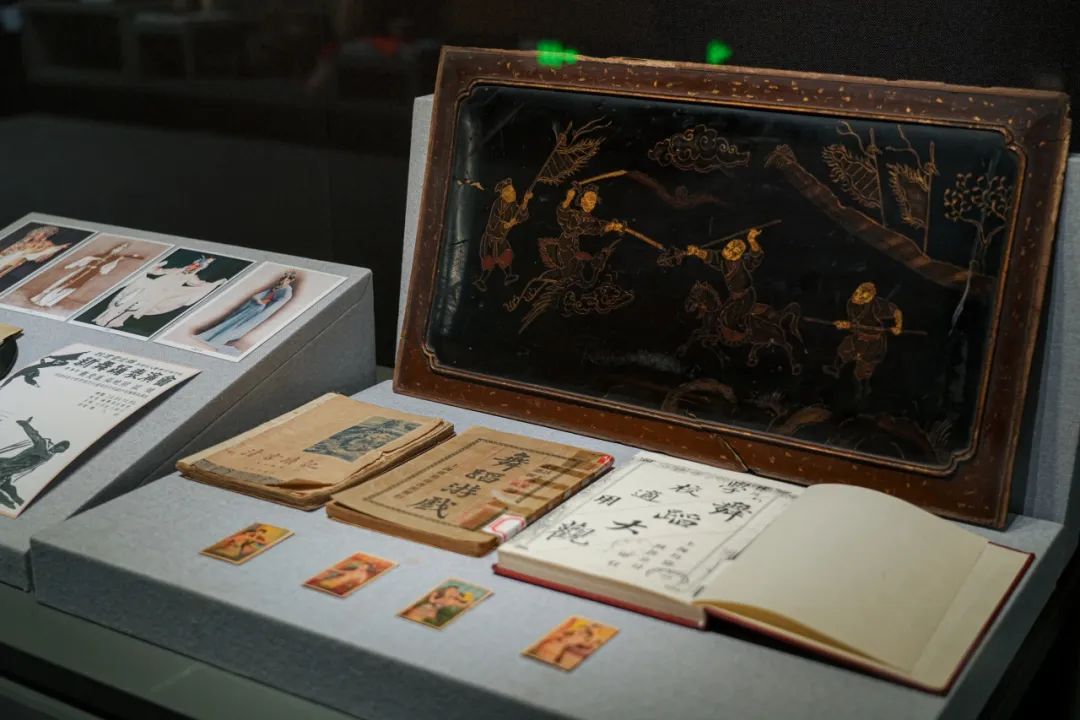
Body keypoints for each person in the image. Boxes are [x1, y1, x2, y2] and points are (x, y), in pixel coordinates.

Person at [92, 256, 223, 329]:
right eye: (195, 264)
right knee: (124, 302)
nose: (194, 267)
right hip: (150, 287)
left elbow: (197, 284)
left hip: (160, 294)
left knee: (134, 308)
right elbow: (157, 272)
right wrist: (157, 267)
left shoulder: (191, 277)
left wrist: (209, 285)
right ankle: (103, 319)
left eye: (198, 266)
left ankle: (114, 322)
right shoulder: (175, 270)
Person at [683, 228, 764, 343]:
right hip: (733, 296)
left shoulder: (745, 261)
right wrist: (696, 251)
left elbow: (755, 256)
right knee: (719, 314)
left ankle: (746, 334)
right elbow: (709, 256)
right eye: (727, 248)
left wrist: (751, 240)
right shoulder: (722, 260)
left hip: (746, 297)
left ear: (739, 254)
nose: (728, 252)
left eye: (733, 251)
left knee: (732, 319)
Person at [823, 281, 903, 395]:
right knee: (844, 349)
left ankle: (863, 389)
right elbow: (853, 323)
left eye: (863, 297)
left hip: (873, 341)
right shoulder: (850, 303)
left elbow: (897, 312)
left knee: (863, 369)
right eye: (857, 293)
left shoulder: (877, 304)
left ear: (870, 298)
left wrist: (898, 326)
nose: (858, 298)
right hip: (858, 336)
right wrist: (845, 324)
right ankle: (836, 369)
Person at [538, 184, 625, 286]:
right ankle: (560, 281)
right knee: (571, 267)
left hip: (575, 245)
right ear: (582, 200)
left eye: (593, 201)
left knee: (583, 264)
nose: (591, 202)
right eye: (589, 199)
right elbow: (562, 215)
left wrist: (613, 227)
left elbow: (597, 228)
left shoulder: (590, 220)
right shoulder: (573, 215)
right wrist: (568, 199)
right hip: (566, 244)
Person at [195, 271, 296, 350]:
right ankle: (208, 336)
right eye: (283, 278)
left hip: (260, 309)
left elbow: (278, 303)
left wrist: (263, 304)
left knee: (238, 325)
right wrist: (258, 299)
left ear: (289, 280)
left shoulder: (287, 291)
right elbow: (260, 295)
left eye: (286, 279)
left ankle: (217, 340)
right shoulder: (277, 287)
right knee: (233, 321)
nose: (283, 280)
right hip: (254, 306)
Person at [30, 242, 143, 308]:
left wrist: (115, 261)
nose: (117, 250)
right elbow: (86, 259)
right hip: (81, 271)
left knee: (69, 288)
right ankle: (38, 299)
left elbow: (105, 271)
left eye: (121, 249)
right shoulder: (100, 255)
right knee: (60, 284)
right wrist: (72, 265)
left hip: (89, 275)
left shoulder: (115, 259)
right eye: (117, 247)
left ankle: (48, 302)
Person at [473, 178, 532, 291]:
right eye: (509, 191)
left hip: (501, 238)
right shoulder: (497, 203)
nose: (513, 193)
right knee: (488, 259)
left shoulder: (513, 206)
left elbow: (521, 216)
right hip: (490, 238)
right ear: (503, 194)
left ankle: (509, 276)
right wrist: (506, 225)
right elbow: (493, 220)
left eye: (513, 190)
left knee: (506, 255)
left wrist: (525, 201)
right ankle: (482, 280)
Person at [0, 418, 69, 510]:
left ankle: (16, 501)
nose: (60, 451)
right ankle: (10, 503)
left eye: (62, 451)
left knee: (6, 486)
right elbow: (35, 436)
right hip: (8, 465)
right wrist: (25, 425)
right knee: (5, 485)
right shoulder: (43, 445)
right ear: (59, 445)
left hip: (12, 469)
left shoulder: (50, 455)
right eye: (61, 449)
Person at [0, 226, 68, 281]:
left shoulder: (44, 245)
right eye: (43, 234)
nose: (43, 238)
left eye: (46, 235)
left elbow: (38, 258)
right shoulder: (17, 240)